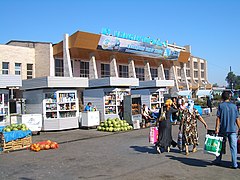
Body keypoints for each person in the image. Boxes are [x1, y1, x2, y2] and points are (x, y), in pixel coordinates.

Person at [213, 91, 240, 169]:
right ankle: (234, 164)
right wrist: (239, 128)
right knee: (233, 148)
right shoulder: (234, 106)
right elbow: (237, 118)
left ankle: (218, 160)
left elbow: (218, 118)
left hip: (223, 129)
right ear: (229, 97)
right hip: (232, 130)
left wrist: (216, 128)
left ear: (222, 97)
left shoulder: (221, 106)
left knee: (220, 146)